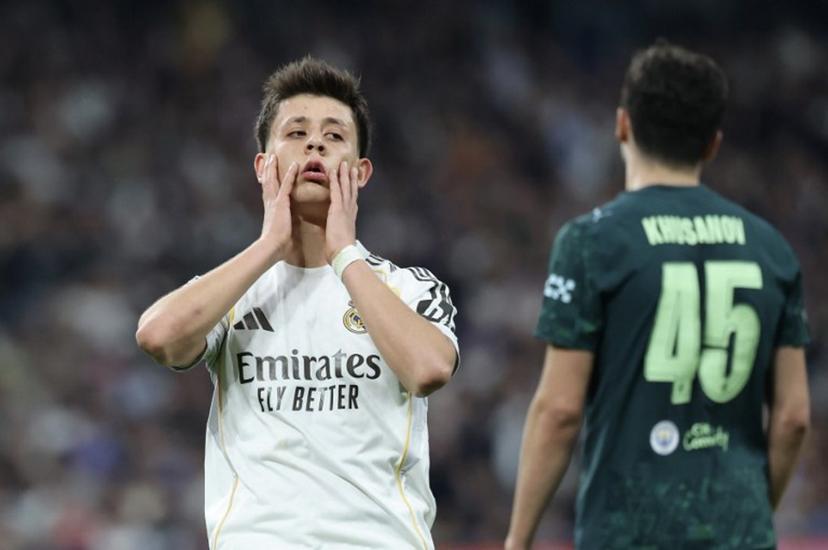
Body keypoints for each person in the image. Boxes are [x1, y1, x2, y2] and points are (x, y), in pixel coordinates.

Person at [135, 57, 459, 549]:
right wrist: (269, 245)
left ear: (361, 172)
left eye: (334, 136)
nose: (315, 145)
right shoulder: (234, 291)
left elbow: (429, 369)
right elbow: (158, 336)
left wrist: (344, 254)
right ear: (263, 166)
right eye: (296, 133)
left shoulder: (409, 287)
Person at [505, 41, 810, 549]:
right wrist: (751, 514)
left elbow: (559, 411)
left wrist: (517, 540)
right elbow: (794, 416)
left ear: (622, 125)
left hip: (627, 532)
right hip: (739, 532)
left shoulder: (592, 242)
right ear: (713, 144)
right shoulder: (771, 249)